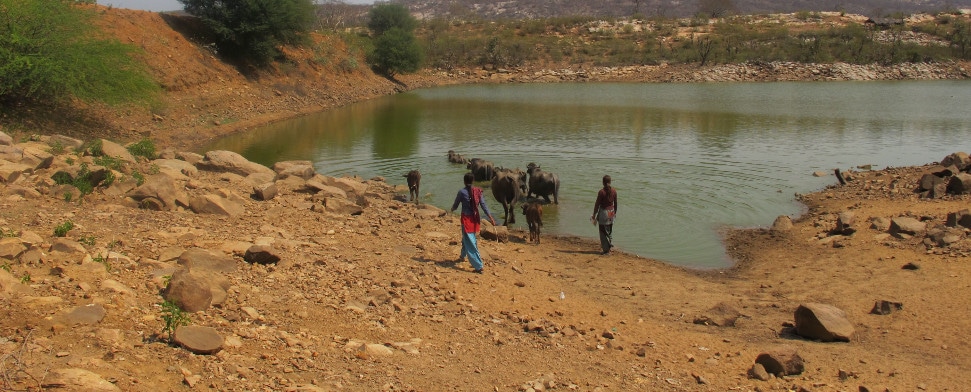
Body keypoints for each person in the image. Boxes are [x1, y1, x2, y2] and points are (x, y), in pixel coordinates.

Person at [451, 172, 497, 273]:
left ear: (464, 181)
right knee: (466, 238)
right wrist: (490, 217)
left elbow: (456, 204)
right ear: (473, 181)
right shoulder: (478, 191)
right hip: (475, 219)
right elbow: (484, 206)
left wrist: (452, 209)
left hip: (466, 219)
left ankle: (478, 266)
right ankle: (462, 256)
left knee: (470, 242)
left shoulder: (462, 192)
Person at [591, 174, 618, 254]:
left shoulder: (601, 192)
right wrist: (615, 213)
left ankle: (606, 250)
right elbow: (616, 203)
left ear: (603, 182)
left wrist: (594, 214)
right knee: (609, 230)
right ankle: (609, 246)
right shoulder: (614, 191)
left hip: (604, 213)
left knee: (603, 231)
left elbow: (597, 204)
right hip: (611, 212)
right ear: (610, 182)